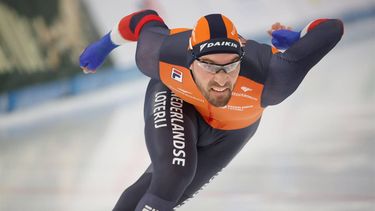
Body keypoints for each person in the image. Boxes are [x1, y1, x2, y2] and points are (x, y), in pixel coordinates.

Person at [79, 10, 344, 211]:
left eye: (230, 66)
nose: (221, 79)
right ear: (189, 62)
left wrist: (300, 37)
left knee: (165, 193)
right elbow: (144, 20)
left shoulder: (272, 78)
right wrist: (105, 44)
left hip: (233, 131)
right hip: (178, 98)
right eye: (209, 66)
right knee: (174, 173)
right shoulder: (158, 54)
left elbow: (333, 28)